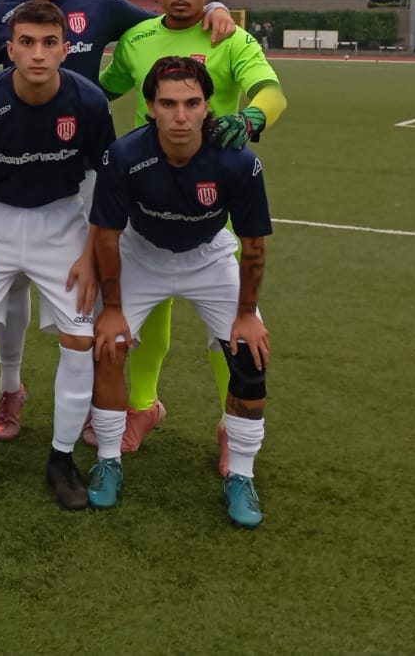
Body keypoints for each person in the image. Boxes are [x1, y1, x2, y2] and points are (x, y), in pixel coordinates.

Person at [0, 0, 235, 443]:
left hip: (78, 166)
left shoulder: (103, 6)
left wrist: (216, 6)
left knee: (84, 294)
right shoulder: (0, 12)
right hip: (11, 164)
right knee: (8, 294)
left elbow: (170, 22)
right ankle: (11, 388)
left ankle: (90, 403)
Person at [95, 0, 286, 466]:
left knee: (231, 338)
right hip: (146, 197)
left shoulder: (230, 37)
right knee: (147, 321)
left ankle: (229, 424)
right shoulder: (137, 39)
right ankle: (142, 407)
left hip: (209, 204)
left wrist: (248, 120)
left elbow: (272, 93)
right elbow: (102, 90)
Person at [88, 56, 273, 527]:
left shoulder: (238, 161)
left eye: (192, 103)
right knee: (106, 346)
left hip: (208, 256)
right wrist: (112, 309)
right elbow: (106, 236)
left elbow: (254, 244)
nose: (181, 116)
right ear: (150, 107)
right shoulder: (124, 155)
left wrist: (247, 314)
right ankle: (108, 460)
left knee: (250, 356)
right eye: (168, 104)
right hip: (141, 254)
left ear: (208, 106)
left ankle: (242, 475)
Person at [0, 1, 114, 509]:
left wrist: (89, 254)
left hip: (61, 221)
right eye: (27, 42)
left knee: (79, 340)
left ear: (66, 49)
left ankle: (61, 459)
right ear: (10, 49)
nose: (38, 54)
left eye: (49, 43)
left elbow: (104, 181)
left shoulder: (89, 101)